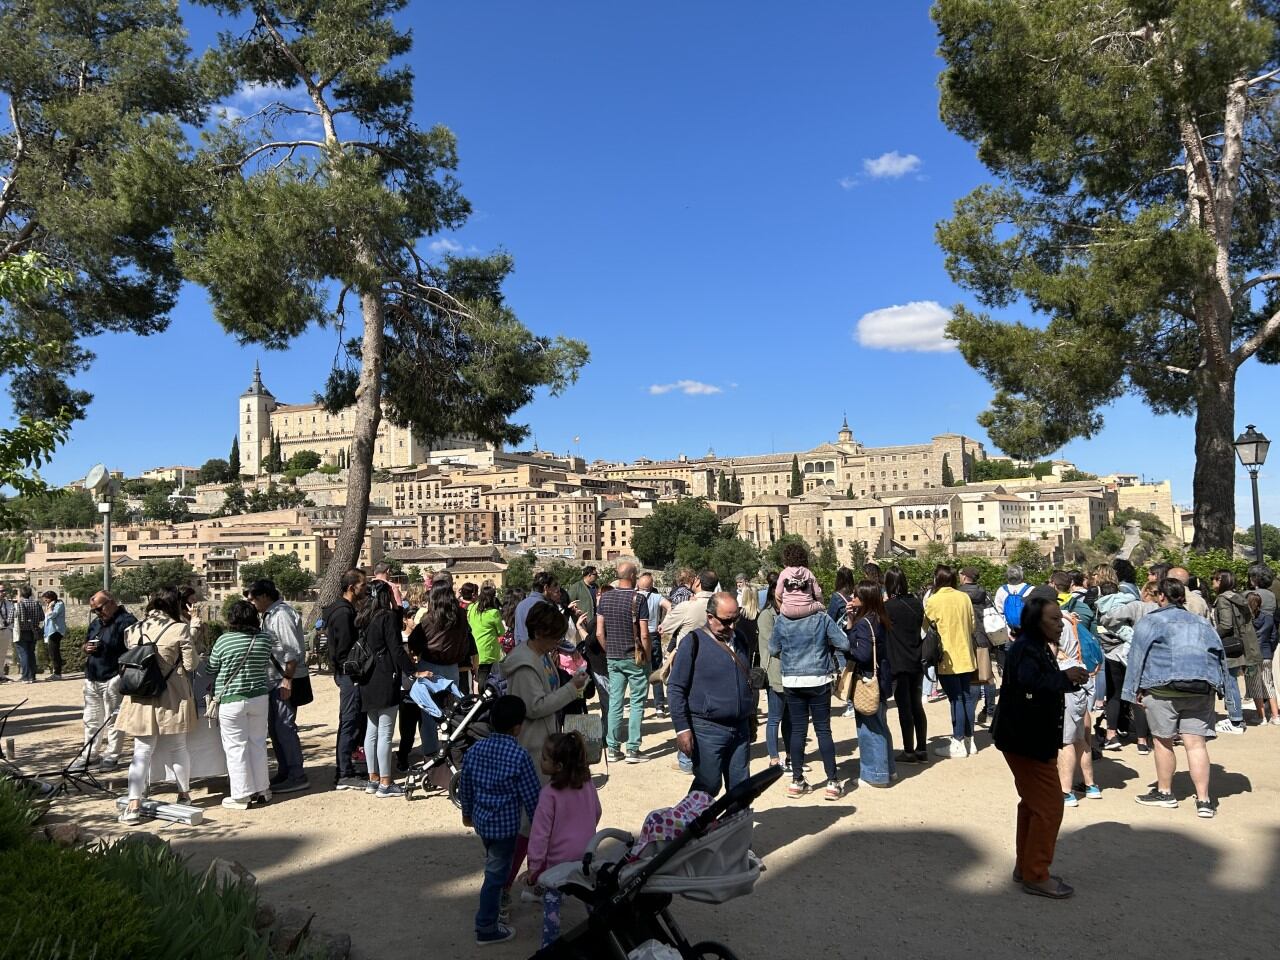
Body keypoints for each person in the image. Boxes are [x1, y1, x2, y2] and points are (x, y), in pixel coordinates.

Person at [993, 594, 1089, 898]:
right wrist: (1064, 678)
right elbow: (1028, 686)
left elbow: (1037, 683)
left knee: (1034, 805)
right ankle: (1036, 874)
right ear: (1036, 622)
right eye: (1053, 619)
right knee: (1048, 807)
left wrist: (1067, 679)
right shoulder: (1027, 649)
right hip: (1026, 740)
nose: (1061, 624)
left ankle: (1027, 866)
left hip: (1029, 739)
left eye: (1060, 618)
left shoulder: (1033, 647)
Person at [1124, 579, 1227, 818]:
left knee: (1163, 741)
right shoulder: (1202, 622)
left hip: (1162, 689)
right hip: (1200, 688)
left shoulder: (1151, 621)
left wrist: (1131, 692)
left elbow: (1137, 657)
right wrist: (1225, 694)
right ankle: (1204, 799)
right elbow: (1218, 655)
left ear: (1161, 596)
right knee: (1196, 744)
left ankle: (1165, 792)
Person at [458, 695, 542, 947]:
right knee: (495, 876)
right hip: (506, 828)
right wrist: (540, 827)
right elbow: (532, 796)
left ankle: (492, 918)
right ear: (518, 727)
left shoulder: (475, 750)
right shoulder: (519, 755)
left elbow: (466, 785)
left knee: (494, 867)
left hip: (483, 823)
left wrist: (467, 814)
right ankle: (486, 927)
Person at [115, 588, 198, 824]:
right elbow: (191, 665)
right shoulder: (179, 628)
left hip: (139, 694)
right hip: (172, 695)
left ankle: (133, 805)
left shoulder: (133, 629)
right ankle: (184, 795)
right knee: (178, 747)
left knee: (141, 751)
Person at [667, 592, 755, 797]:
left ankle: (735, 828)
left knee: (741, 790)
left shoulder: (740, 639)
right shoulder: (693, 642)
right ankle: (690, 827)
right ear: (710, 617)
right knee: (707, 787)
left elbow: (746, 679)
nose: (732, 626)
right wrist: (682, 729)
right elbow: (676, 687)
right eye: (726, 621)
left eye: (735, 619)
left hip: (740, 729)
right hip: (707, 729)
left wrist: (749, 714)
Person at [523, 732, 602, 949]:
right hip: (587, 854)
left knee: (552, 900)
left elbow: (540, 835)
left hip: (557, 861)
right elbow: (597, 811)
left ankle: (549, 944)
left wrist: (535, 868)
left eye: (545, 758)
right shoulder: (587, 783)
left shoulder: (549, 794)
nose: (541, 760)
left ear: (558, 766)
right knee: (589, 895)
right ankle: (602, 930)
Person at [769, 595, 851, 800]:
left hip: (792, 680)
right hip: (818, 678)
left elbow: (773, 649)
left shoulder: (782, 619)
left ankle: (797, 781)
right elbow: (844, 643)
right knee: (823, 730)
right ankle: (832, 782)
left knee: (798, 730)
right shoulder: (821, 618)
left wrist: (789, 656)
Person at [355, 580, 423, 799]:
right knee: (385, 732)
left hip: (367, 676)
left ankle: (373, 778)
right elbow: (396, 649)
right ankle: (386, 781)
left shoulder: (363, 618)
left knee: (371, 730)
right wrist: (413, 672)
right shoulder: (386, 617)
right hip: (385, 675)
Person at [207, 600, 276, 811]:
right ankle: (263, 789)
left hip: (231, 699)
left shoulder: (224, 640)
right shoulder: (265, 639)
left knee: (236, 747)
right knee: (257, 743)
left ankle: (241, 794)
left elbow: (211, 668)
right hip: (259, 697)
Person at [249, 579, 310, 793]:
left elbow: (291, 651)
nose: (252, 602)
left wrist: (287, 679)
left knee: (284, 727)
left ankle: (296, 774)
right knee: (276, 728)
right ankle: (285, 771)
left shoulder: (281, 615)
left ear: (265, 596)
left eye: (254, 598)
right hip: (276, 678)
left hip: (283, 679)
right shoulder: (271, 615)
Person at [596, 562, 650, 763]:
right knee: (636, 702)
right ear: (634, 575)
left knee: (615, 702)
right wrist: (646, 655)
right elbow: (644, 634)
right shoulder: (639, 599)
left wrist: (608, 649)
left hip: (613, 656)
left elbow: (600, 632)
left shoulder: (605, 598)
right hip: (634, 657)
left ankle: (612, 747)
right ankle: (633, 749)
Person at [80, 591, 138, 769]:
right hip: (92, 676)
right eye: (94, 610)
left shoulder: (127, 622)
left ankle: (112, 755)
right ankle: (90, 753)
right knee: (91, 718)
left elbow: (134, 649)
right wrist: (86, 647)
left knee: (112, 719)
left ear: (111, 603)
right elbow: (85, 642)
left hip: (113, 676)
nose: (98, 613)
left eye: (100, 608)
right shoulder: (96, 623)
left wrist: (121, 674)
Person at [926, 566, 978, 759]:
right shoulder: (964, 597)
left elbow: (926, 627)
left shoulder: (934, 600)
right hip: (965, 654)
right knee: (966, 697)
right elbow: (972, 625)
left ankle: (957, 741)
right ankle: (969, 740)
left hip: (947, 657)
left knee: (955, 699)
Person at [847, 581, 895, 790]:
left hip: (867, 678)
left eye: (855, 596)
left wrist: (847, 650)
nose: (852, 599)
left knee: (869, 727)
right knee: (881, 724)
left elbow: (863, 654)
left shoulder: (865, 623)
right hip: (882, 676)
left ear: (864, 599)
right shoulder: (879, 619)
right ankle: (887, 768)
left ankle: (875, 774)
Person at [325, 569, 368, 790]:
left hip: (346, 674)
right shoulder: (343, 613)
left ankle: (347, 768)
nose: (366, 589)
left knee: (351, 721)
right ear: (352, 587)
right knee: (349, 721)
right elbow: (344, 651)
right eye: (363, 585)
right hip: (349, 675)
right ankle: (344, 773)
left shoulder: (343, 609)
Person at [418, 581, 472, 753]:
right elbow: (466, 638)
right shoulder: (461, 615)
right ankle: (454, 747)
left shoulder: (428, 619)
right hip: (452, 667)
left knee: (428, 710)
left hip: (429, 667)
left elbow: (415, 642)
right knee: (453, 709)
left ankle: (431, 751)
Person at [884, 567, 927, 763]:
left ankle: (908, 750)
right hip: (916, 658)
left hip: (898, 661)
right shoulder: (916, 604)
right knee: (917, 705)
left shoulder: (889, 607)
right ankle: (922, 748)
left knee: (904, 707)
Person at [1210, 569, 1260, 734]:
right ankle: (1236, 718)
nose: (1212, 582)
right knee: (1232, 682)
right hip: (1239, 645)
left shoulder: (1223, 599)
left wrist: (1211, 635)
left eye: (1214, 579)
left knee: (1230, 683)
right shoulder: (1237, 597)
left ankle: (1235, 720)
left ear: (1221, 580)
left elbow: (1226, 625)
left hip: (1229, 646)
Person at [756, 573, 792, 769]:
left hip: (790, 672)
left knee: (789, 718)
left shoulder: (788, 614)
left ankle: (790, 756)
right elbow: (773, 646)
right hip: (774, 672)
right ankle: (774, 757)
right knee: (774, 717)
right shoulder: (766, 616)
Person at [958, 568, 997, 725]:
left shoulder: (959, 594)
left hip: (966, 638)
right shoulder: (983, 592)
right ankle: (989, 712)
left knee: (972, 679)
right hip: (983, 637)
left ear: (965, 577)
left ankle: (969, 713)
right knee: (987, 677)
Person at [636, 572, 669, 715]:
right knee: (656, 670)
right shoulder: (656, 597)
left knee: (639, 671)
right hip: (653, 634)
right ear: (652, 585)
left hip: (638, 634)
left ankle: (640, 706)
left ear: (638, 584)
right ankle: (659, 706)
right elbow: (670, 607)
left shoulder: (634, 596)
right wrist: (664, 624)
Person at [827, 567, 857, 718]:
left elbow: (830, 619)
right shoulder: (854, 596)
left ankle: (851, 704)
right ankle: (854, 702)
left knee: (846, 671)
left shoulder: (836, 597)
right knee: (852, 669)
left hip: (841, 639)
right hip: (853, 636)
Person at [1245, 592, 1279, 723]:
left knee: (1255, 686)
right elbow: (1274, 637)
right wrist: (1269, 650)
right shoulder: (1269, 618)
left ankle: (1261, 717)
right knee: (1268, 685)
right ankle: (1276, 716)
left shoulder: (1245, 619)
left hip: (1252, 656)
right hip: (1266, 654)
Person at [468, 584, 504, 691]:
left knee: (478, 677)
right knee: (486, 678)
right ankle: (484, 699)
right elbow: (501, 632)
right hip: (488, 651)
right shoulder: (494, 613)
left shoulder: (472, 608)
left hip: (475, 648)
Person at [775, 542, 825, 619]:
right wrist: (821, 603)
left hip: (788, 611)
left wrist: (783, 607)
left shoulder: (784, 573)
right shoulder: (808, 573)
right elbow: (818, 594)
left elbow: (778, 594)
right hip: (807, 609)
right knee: (820, 606)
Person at [515, 572, 557, 646]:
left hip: (522, 651)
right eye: (554, 586)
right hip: (538, 653)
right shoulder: (545, 606)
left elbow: (517, 635)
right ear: (546, 588)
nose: (556, 589)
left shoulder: (521, 605)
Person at [993, 565, 1032, 641]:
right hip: (1028, 633)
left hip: (1009, 633)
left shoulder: (1001, 590)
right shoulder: (1031, 589)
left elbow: (999, 613)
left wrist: (1008, 632)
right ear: (1022, 576)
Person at [14, 586, 42, 683]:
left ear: (21, 594)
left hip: (22, 632)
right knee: (31, 653)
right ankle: (32, 676)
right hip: (34, 631)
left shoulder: (19, 604)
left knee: (23, 654)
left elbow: (12, 618)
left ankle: (25, 676)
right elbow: (42, 617)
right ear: (31, 593)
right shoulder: (36, 603)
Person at [40, 590, 66, 681]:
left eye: (46, 600)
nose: (45, 602)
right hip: (50, 631)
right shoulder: (49, 605)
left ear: (51, 598)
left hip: (56, 631)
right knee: (52, 652)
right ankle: (55, 672)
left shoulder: (59, 604)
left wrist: (50, 607)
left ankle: (57, 673)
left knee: (54, 652)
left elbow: (52, 615)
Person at [0, 587, 14, 681]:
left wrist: (9, 628)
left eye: (3, 590)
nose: (2, 592)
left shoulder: (9, 604)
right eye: (0, 591)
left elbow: (11, 616)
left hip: (5, 630)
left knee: (2, 654)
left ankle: (1, 674)